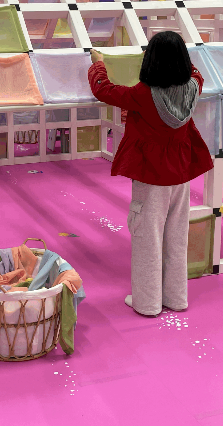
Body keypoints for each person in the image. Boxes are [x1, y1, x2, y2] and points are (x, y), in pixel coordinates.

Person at [88, 31, 213, 317]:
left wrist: (98, 65)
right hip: (181, 175)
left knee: (147, 237)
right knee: (176, 237)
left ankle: (147, 303)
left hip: (151, 176)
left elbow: (104, 90)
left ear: (151, 61)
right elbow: (195, 72)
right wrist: (179, 59)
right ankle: (176, 298)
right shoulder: (194, 86)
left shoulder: (142, 94)